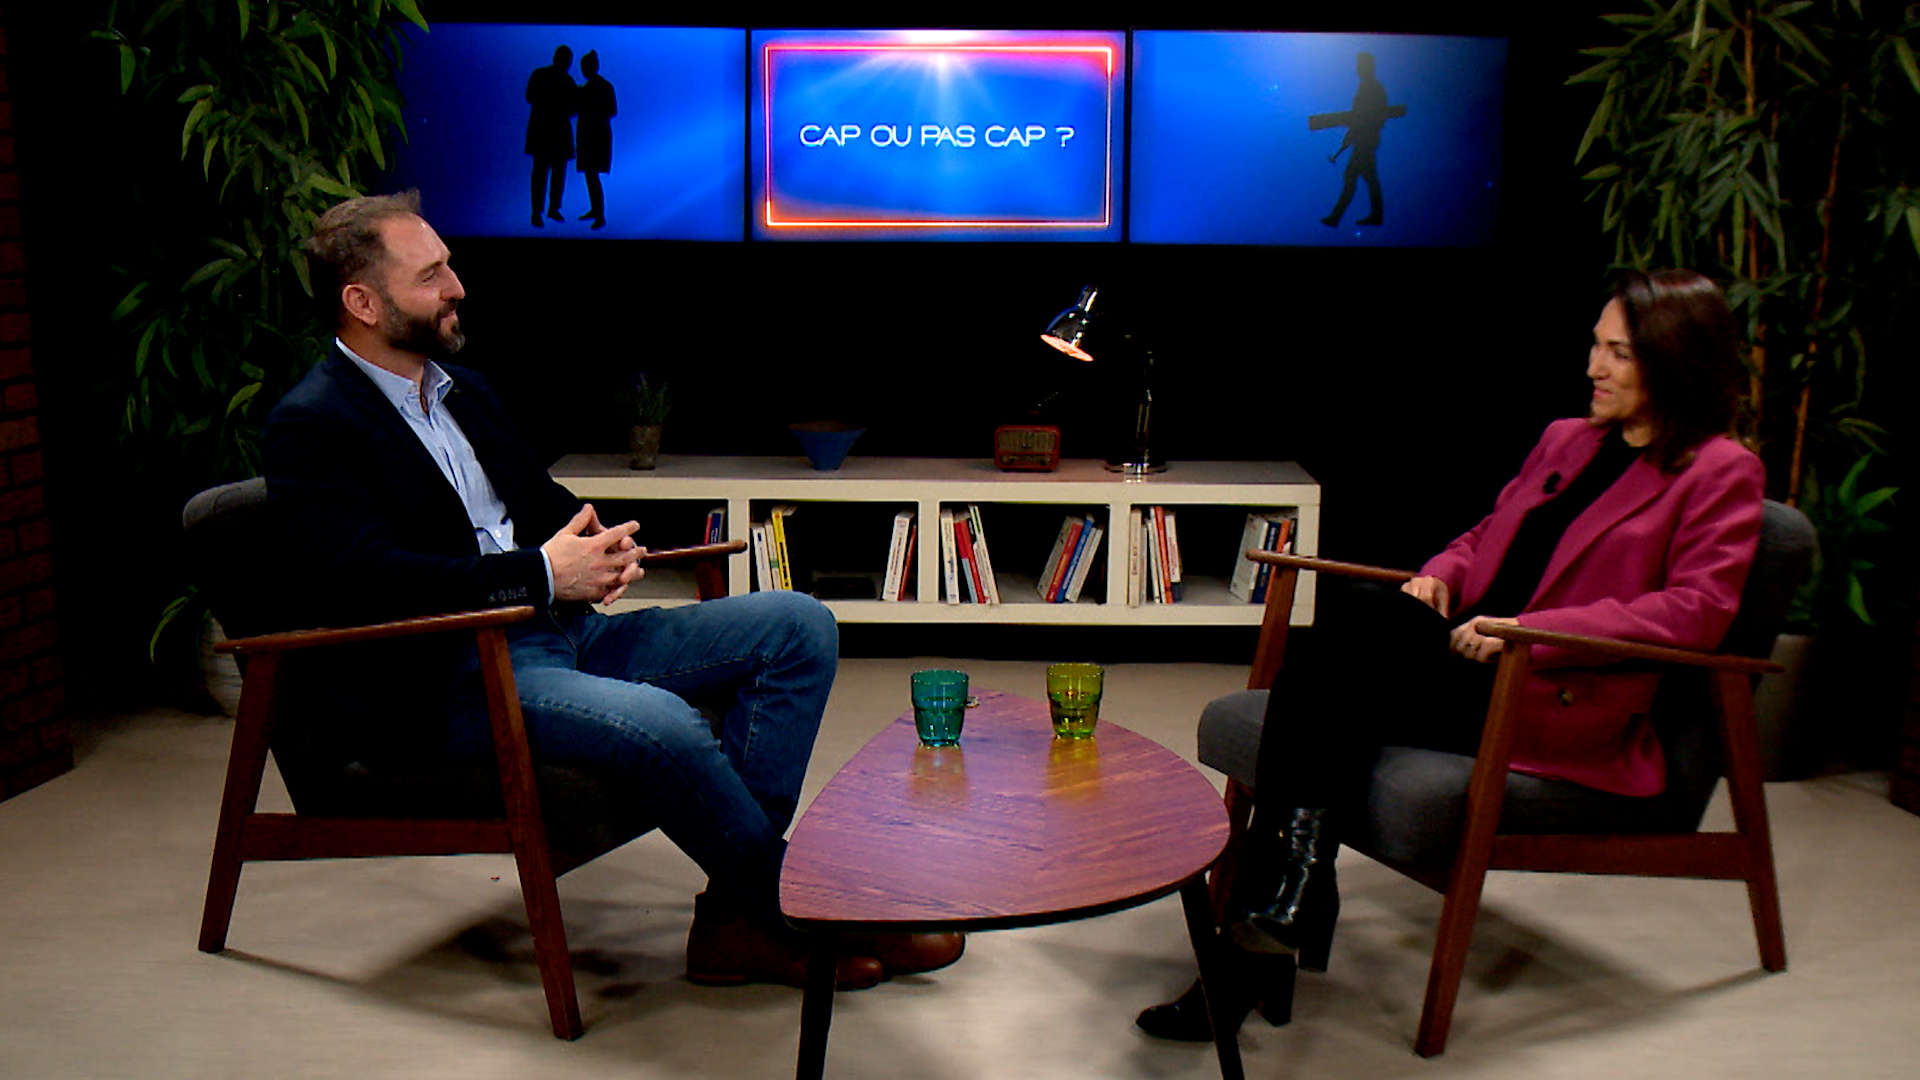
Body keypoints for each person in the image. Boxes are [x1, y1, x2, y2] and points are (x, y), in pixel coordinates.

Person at [263, 191, 963, 992]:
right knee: (661, 720)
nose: (457, 286)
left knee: (797, 625)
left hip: (560, 633)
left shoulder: (462, 391)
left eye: (449, 265)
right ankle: (795, 910)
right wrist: (540, 573)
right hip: (452, 679)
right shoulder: (313, 423)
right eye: (430, 276)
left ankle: (736, 918)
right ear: (362, 302)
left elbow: (539, 506)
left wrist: (599, 547)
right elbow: (365, 584)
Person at [1136, 269, 1765, 1040]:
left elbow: (1697, 612)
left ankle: (1269, 931)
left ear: (1675, 361)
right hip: (1465, 661)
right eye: (1595, 346)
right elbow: (1486, 535)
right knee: (1340, 650)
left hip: (1546, 687)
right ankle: (1293, 898)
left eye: (1620, 353)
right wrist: (1441, 576)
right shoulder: (1569, 439)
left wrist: (1530, 629)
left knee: (1319, 676)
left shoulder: (1720, 471)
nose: (1594, 367)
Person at [1320, 52, 1394, 228]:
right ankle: (1373, 214)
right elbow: (1361, 118)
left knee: (1353, 176)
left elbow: (1365, 118)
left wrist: (1355, 133)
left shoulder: (1370, 88)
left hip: (1365, 141)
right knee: (1368, 178)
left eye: (1360, 65)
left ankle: (1337, 217)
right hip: (1365, 140)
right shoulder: (1369, 87)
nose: (1358, 68)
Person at [525, 46, 578, 228]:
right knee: (547, 174)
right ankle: (543, 210)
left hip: (547, 133)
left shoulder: (543, 75)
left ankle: (547, 209)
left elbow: (531, 96)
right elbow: (531, 96)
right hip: (551, 133)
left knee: (549, 174)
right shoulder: (565, 81)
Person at [573, 50, 616, 230]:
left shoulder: (596, 88)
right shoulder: (602, 86)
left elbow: (611, 110)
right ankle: (596, 210)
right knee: (591, 175)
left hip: (595, 138)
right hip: (593, 137)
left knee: (592, 174)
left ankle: (599, 214)